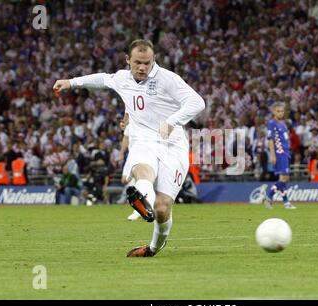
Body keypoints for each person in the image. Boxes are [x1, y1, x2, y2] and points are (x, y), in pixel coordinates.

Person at [53, 39, 205, 257]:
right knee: (142, 171)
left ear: (154, 60)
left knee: (163, 209)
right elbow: (103, 79)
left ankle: (153, 246)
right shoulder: (122, 78)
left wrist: (172, 121)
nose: (142, 67)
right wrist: (71, 82)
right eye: (137, 63)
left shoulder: (168, 79)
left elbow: (197, 102)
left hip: (173, 146)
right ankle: (143, 201)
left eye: (147, 62)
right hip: (144, 140)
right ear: (128, 60)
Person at [260, 103, 296, 209]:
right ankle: (269, 197)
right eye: (278, 111)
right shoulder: (272, 123)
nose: (280, 113)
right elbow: (271, 140)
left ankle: (286, 202)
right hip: (280, 153)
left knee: (284, 178)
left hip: (285, 152)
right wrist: (273, 155)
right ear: (274, 112)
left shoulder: (283, 123)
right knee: (284, 177)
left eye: (282, 111)